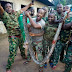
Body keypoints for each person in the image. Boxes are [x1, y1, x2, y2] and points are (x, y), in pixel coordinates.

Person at [0, 2, 33, 72]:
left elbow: (22, 9)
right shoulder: (4, 15)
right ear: (5, 9)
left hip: (19, 34)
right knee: (12, 51)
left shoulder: (15, 13)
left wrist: (29, 5)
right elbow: (1, 9)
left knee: (22, 47)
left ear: (12, 8)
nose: (8, 8)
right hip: (13, 37)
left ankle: (23, 56)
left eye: (10, 7)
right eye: (7, 7)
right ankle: (8, 67)